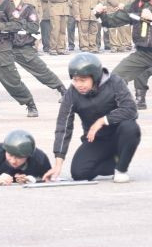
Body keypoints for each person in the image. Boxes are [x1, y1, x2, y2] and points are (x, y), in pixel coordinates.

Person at [49, 52, 141, 183]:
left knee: (131, 127)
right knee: (79, 173)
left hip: (119, 135)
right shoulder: (71, 94)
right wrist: (58, 163)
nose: (78, 84)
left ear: (95, 77)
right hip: (97, 139)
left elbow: (131, 110)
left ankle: (121, 169)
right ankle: (115, 160)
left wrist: (102, 120)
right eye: (75, 80)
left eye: (83, 80)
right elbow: (63, 127)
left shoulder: (115, 82)